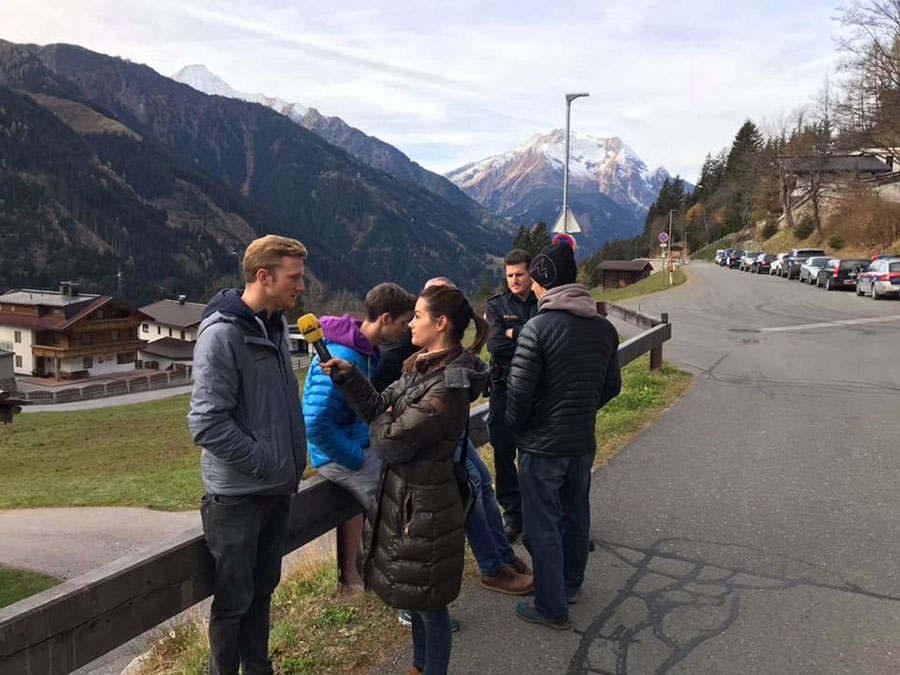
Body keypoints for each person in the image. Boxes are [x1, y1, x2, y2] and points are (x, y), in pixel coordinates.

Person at [321, 285, 489, 675]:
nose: (410, 323)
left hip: (427, 507)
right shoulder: (422, 366)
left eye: (417, 316)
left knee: (431, 607)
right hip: (409, 501)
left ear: (440, 323)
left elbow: (389, 443)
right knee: (416, 598)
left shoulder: (447, 386)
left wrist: (385, 423)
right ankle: (418, 666)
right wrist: (351, 380)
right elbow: (382, 407)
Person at [187, 234, 309, 675]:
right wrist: (265, 462)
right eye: (294, 278)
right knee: (234, 601)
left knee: (262, 590)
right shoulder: (222, 335)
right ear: (264, 276)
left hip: (274, 489)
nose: (302, 286)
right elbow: (206, 424)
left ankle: (259, 669)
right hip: (238, 496)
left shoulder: (274, 325)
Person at [506, 239, 622, 630]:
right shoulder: (603, 328)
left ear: (544, 282)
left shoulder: (536, 328)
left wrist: (523, 428)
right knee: (575, 515)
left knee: (542, 524)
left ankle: (551, 606)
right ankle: (571, 585)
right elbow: (612, 386)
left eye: (536, 281)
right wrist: (580, 412)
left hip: (543, 445)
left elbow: (518, 399)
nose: (532, 287)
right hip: (581, 441)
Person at [302, 282, 416, 589]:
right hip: (339, 455)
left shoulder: (366, 351)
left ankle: (383, 580)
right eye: (405, 323)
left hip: (358, 444)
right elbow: (314, 423)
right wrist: (354, 456)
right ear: (386, 318)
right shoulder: (341, 355)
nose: (407, 330)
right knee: (392, 513)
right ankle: (400, 590)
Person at [484, 249, 539, 542]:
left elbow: (549, 341)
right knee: (504, 452)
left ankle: (536, 512)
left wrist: (513, 333)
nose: (514, 280)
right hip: (503, 388)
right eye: (510, 275)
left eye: (520, 274)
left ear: (530, 274)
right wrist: (528, 335)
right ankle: (512, 514)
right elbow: (495, 345)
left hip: (536, 389)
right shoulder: (495, 305)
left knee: (534, 451)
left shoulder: (542, 300)